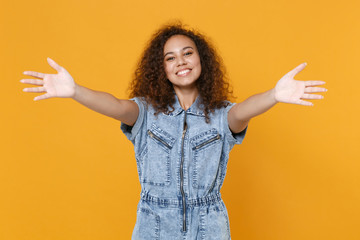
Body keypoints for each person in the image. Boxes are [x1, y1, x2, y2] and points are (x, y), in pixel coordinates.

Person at [21, 23, 327, 240]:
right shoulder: (146, 112)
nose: (180, 61)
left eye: (188, 53)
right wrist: (75, 91)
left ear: (201, 60)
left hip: (209, 226)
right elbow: (115, 105)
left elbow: (242, 110)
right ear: (161, 69)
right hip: (153, 224)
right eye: (170, 57)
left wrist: (274, 95)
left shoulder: (220, 115)